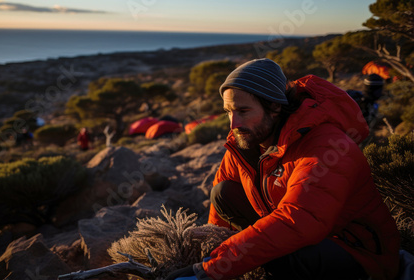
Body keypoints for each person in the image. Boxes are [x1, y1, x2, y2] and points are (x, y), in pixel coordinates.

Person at [165, 59, 400, 280]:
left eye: (243, 111)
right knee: (223, 192)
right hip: (295, 231)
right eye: (229, 112)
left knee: (284, 256)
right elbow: (219, 216)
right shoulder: (247, 140)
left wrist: (211, 271)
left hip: (354, 250)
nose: (233, 124)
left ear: (274, 106)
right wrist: (208, 258)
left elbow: (299, 220)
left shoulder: (326, 145)